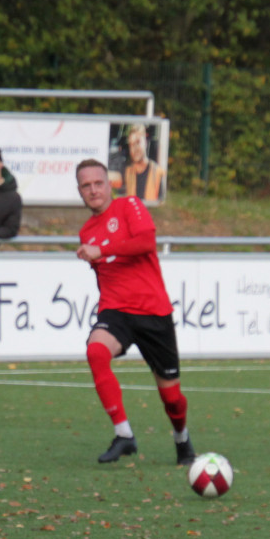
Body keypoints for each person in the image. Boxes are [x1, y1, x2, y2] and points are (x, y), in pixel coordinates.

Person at [74, 158, 196, 466]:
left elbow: (145, 242)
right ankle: (124, 434)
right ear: (80, 191)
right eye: (86, 186)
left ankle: (182, 439)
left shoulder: (130, 206)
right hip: (117, 311)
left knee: (172, 398)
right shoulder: (86, 231)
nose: (93, 190)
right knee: (96, 352)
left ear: (109, 184)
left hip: (154, 312)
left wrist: (102, 250)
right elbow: (108, 275)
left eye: (98, 183)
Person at [121, 124, 164, 201]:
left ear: (146, 142)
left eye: (138, 142)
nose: (135, 148)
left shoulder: (158, 172)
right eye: (132, 145)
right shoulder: (127, 172)